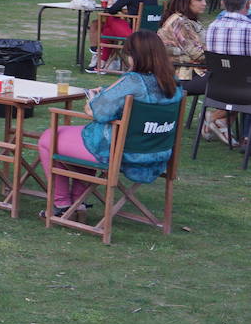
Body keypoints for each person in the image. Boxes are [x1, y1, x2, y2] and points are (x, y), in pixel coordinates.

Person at [37, 31, 182, 215]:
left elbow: (98, 112)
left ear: (135, 56)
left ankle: (62, 203)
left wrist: (93, 101)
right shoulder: (174, 84)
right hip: (157, 154)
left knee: (49, 138)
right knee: (78, 138)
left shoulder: (133, 81)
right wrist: (109, 92)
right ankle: (76, 202)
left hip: (120, 153)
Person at [201, 0, 251, 145]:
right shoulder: (248, 29)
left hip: (216, 90)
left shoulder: (212, 27)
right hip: (245, 93)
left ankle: (226, 124)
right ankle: (245, 136)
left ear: (222, 2)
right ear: (248, 3)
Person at [94, 0, 159, 71]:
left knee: (109, 19)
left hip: (134, 33)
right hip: (151, 31)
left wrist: (107, 9)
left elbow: (113, 10)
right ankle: (103, 63)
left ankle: (102, 62)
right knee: (107, 31)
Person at [157, 0, 207, 99]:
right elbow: (198, 54)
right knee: (232, 82)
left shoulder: (188, 21)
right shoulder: (179, 22)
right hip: (182, 77)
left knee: (234, 81)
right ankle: (215, 117)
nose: (204, 3)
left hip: (194, 72)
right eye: (199, 0)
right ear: (186, 1)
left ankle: (220, 117)